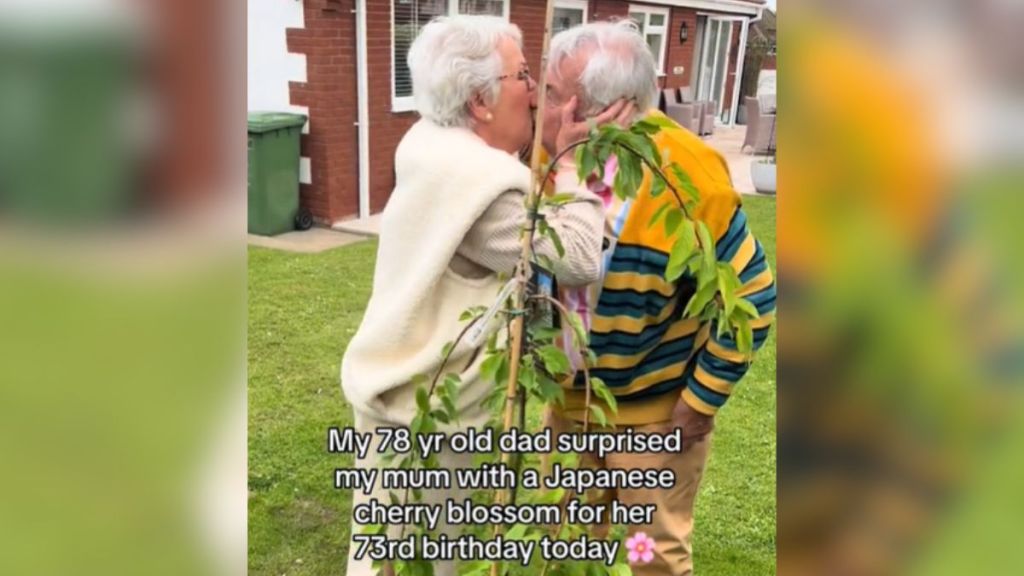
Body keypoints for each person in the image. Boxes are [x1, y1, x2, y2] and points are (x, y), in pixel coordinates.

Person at [339, 15, 632, 576]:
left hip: (399, 390)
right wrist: (569, 165)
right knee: (417, 556)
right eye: (524, 75)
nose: (535, 88)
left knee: (385, 539)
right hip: (426, 408)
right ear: (480, 100)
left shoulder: (430, 139)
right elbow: (577, 257)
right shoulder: (481, 187)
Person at [539, 21, 777, 576]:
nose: (539, 104)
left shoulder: (687, 174)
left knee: (653, 557)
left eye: (551, 93)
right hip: (569, 413)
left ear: (601, 108)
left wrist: (697, 406)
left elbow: (753, 300)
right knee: (571, 547)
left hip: (651, 422)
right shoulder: (551, 162)